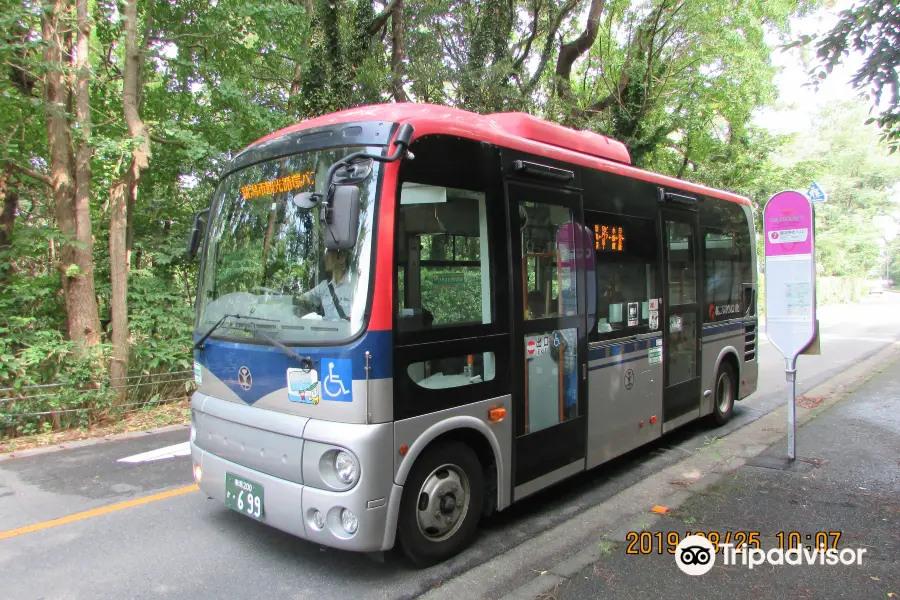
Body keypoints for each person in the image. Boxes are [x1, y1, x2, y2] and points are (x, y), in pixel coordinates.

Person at [293, 248, 353, 321]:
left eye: (329, 253)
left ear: (342, 258)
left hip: (348, 331)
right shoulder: (325, 285)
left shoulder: (354, 283)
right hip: (325, 330)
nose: (325, 258)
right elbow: (304, 298)